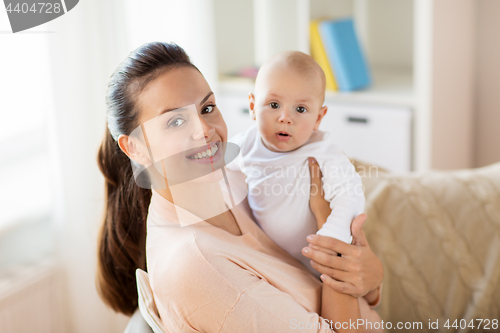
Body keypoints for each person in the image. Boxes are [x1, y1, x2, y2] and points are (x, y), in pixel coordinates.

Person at [96, 42, 384, 332]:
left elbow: (365, 285)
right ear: (134, 148)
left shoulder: (236, 178)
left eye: (207, 108)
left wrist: (372, 278)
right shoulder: (198, 266)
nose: (205, 130)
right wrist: (326, 225)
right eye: (176, 121)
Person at [228, 51, 364, 277]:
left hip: (314, 262)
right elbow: (212, 162)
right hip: (270, 259)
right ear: (253, 106)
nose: (285, 117)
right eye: (273, 104)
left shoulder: (322, 150)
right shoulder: (246, 145)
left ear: (318, 119)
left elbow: (351, 193)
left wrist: (333, 232)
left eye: (300, 109)